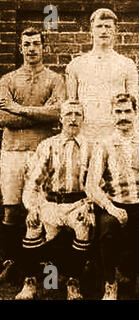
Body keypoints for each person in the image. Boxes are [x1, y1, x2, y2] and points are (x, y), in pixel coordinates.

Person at [0, 27, 65, 281]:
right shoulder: (7, 80)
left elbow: (58, 113)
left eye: (36, 44)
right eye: (26, 44)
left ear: (43, 47)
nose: (31, 49)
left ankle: (45, 262)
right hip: (13, 150)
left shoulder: (55, 79)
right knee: (12, 208)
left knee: (44, 206)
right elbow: (3, 117)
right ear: (20, 48)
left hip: (44, 150)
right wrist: (38, 113)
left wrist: (19, 109)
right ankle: (13, 260)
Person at [85, 93, 139, 300]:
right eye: (118, 112)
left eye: (127, 111)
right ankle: (110, 283)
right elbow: (91, 185)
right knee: (108, 229)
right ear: (112, 114)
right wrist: (110, 208)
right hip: (115, 204)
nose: (123, 116)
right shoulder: (103, 145)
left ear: (135, 113)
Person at [14, 100, 93, 300]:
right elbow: (34, 182)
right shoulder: (49, 145)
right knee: (33, 225)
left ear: (83, 119)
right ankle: (29, 282)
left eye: (77, 114)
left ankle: (73, 283)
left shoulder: (92, 147)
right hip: (51, 202)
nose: (73, 119)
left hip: (78, 203)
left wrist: (89, 205)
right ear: (60, 119)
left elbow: (98, 182)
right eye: (68, 114)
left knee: (83, 226)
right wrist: (32, 208)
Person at [66, 8, 139, 145]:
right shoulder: (76, 65)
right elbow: (71, 107)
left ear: (115, 30)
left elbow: (135, 107)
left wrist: (132, 139)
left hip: (117, 134)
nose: (104, 31)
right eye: (99, 26)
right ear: (91, 30)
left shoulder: (127, 64)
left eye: (108, 26)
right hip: (86, 135)